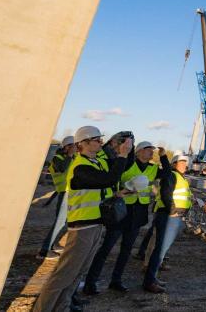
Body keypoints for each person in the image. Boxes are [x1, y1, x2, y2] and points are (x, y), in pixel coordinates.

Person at [32, 126, 132, 312]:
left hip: (96, 224)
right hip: (82, 228)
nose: (101, 143)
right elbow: (108, 179)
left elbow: (104, 187)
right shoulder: (80, 166)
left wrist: (118, 193)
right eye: (96, 140)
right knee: (64, 274)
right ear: (82, 144)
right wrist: (123, 155)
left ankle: (62, 306)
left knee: (78, 272)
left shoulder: (95, 163)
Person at [83, 141, 168, 293]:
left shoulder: (153, 168)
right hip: (121, 212)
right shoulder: (128, 164)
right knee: (106, 248)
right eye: (149, 150)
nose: (151, 152)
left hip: (138, 214)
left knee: (126, 250)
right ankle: (91, 282)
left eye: (152, 151)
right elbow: (114, 177)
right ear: (139, 152)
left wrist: (163, 157)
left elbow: (167, 173)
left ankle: (116, 281)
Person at [143, 154, 192, 293]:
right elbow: (166, 194)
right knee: (160, 250)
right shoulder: (172, 175)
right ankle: (149, 282)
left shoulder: (180, 177)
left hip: (174, 216)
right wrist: (173, 211)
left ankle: (153, 277)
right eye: (181, 162)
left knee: (161, 250)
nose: (184, 164)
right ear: (174, 164)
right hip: (169, 216)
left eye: (185, 162)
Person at [38, 136, 75, 260]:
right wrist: (70, 156)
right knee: (59, 222)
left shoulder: (69, 158)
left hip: (69, 193)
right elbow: (62, 168)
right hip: (64, 192)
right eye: (73, 146)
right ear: (67, 147)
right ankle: (45, 250)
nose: (75, 149)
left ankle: (53, 244)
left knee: (62, 222)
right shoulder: (57, 158)